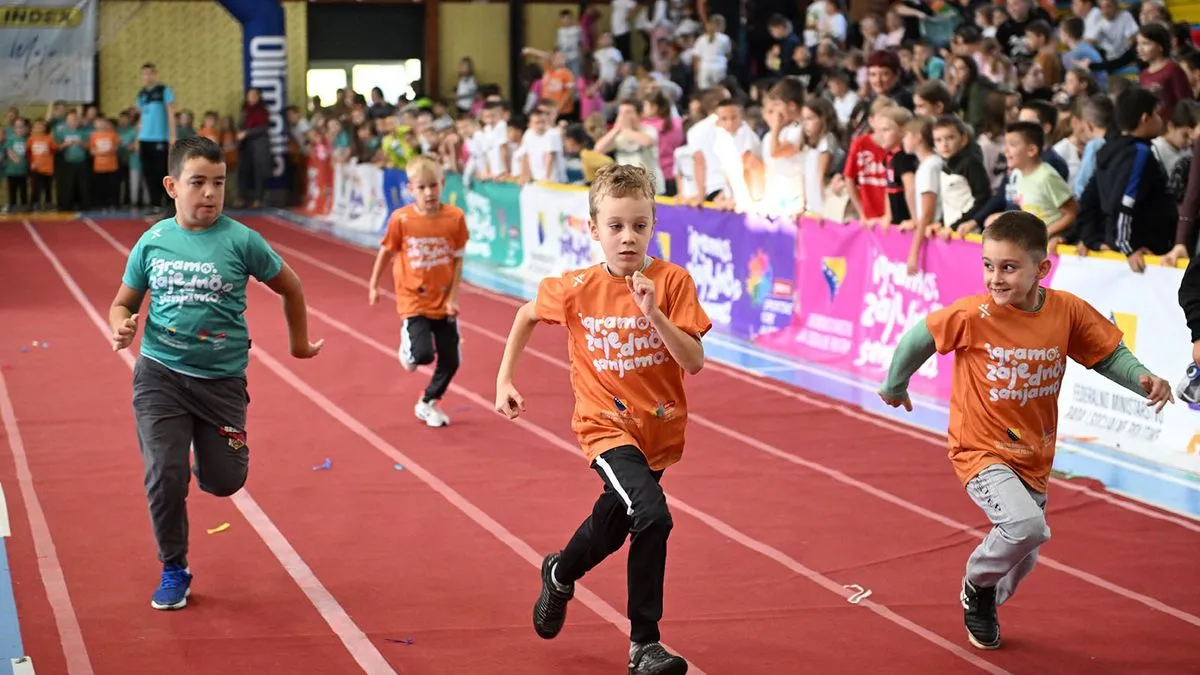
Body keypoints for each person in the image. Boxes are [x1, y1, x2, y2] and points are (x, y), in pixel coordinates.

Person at [876, 210, 1173, 650]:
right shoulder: (973, 314)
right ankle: (976, 584)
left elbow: (1107, 354)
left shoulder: (1066, 311)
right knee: (1026, 526)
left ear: (1041, 269)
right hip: (979, 449)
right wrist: (895, 384)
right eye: (988, 266)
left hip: (1034, 452)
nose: (995, 279)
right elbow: (920, 337)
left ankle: (986, 597)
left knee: (1025, 555)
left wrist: (1142, 378)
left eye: (1009, 268)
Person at [494, 163, 709, 674]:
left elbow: (694, 361)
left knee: (612, 527)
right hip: (605, 427)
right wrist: (504, 380)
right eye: (615, 226)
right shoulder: (576, 286)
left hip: (657, 428)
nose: (627, 236)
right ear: (594, 229)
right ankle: (644, 644)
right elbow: (525, 314)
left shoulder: (673, 282)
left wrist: (654, 314)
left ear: (653, 226)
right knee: (652, 515)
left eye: (639, 225)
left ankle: (559, 573)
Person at [108, 136, 322, 610]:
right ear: (171, 186)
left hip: (221, 382)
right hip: (160, 375)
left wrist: (299, 344)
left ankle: (207, 456)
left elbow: (291, 286)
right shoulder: (153, 242)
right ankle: (174, 566)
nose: (210, 193)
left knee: (224, 481)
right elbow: (123, 301)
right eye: (198, 182)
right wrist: (120, 325)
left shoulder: (242, 241)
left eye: (219, 183)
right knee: (165, 474)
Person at [368, 155, 468, 427]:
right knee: (422, 356)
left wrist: (453, 297)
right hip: (413, 299)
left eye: (433, 186)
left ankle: (428, 402)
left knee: (451, 361)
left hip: (443, 300)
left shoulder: (455, 218)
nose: (429, 193)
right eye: (421, 187)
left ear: (442, 184)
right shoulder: (401, 219)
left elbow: (458, 260)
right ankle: (408, 346)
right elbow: (386, 252)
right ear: (411, 189)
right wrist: (374, 284)